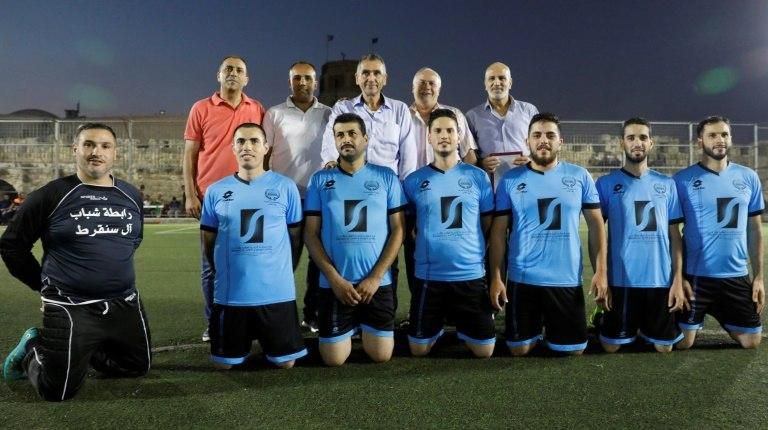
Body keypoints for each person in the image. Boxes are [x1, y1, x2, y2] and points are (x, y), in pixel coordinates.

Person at [0, 123, 150, 401]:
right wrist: (42, 285)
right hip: (71, 306)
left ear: (115, 153)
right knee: (56, 391)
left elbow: (133, 239)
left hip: (124, 302)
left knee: (136, 367)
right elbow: (12, 245)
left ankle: (82, 350)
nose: (96, 152)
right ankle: (33, 347)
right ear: (75, 150)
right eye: (89, 144)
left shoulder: (131, 195)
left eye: (105, 146)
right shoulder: (50, 196)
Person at [488, 113, 608, 356]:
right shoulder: (511, 180)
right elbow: (499, 233)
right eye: (537, 135)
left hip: (565, 279)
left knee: (573, 350)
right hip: (523, 280)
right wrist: (497, 277)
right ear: (527, 141)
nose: (543, 140)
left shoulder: (579, 176)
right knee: (519, 350)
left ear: (560, 142)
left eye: (550, 135)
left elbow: (597, 226)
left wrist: (601, 271)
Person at [200, 123, 307, 369]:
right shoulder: (217, 191)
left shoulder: (285, 187)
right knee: (223, 365)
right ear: (233, 148)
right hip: (232, 294)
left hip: (275, 293)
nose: (247, 146)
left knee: (285, 364)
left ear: (266, 147)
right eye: (241, 141)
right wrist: (222, 270)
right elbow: (208, 240)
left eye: (254, 141)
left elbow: (296, 237)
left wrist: (283, 271)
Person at [305, 113, 406, 366]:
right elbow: (310, 233)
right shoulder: (320, 180)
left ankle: (363, 329)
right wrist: (335, 280)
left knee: (381, 356)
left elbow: (398, 230)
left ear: (365, 138)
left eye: (352, 134)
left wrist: (375, 277)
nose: (346, 139)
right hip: (336, 286)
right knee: (334, 360)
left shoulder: (386, 177)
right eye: (340, 135)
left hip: (376, 284)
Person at [183, 55, 265, 342]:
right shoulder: (201, 108)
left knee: (249, 262)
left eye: (239, 70)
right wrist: (191, 193)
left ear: (247, 78)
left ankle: (250, 319)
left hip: (249, 200)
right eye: (228, 69)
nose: (233, 73)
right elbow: (190, 154)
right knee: (211, 266)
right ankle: (214, 321)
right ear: (218, 75)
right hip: (211, 198)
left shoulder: (256, 109)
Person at [402, 109, 495, 358]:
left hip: (470, 275)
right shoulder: (413, 181)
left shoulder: (478, 178)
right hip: (429, 277)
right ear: (429, 138)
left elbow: (486, 223)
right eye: (438, 131)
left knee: (485, 351)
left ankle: (462, 324)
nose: (444, 136)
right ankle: (437, 328)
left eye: (450, 131)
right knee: (418, 350)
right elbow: (408, 226)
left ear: (458, 137)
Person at [593, 117, 687, 353]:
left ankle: (643, 326)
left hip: (659, 279)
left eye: (643, 137)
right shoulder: (605, 184)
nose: (638, 143)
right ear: (621, 143)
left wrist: (677, 279)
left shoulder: (667, 184)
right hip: (621, 279)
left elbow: (675, 235)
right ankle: (603, 318)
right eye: (631, 137)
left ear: (651, 144)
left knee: (663, 348)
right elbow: (596, 233)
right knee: (610, 348)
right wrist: (601, 274)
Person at [673, 116, 764, 349]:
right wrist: (678, 277)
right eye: (712, 135)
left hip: (735, 275)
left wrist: (759, 277)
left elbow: (754, 229)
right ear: (699, 142)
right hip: (696, 277)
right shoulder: (682, 180)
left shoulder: (749, 177)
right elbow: (673, 232)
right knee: (682, 343)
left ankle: (723, 312)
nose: (719, 140)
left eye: (724, 134)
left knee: (751, 341)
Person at [263, 61, 332, 333]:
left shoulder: (329, 113)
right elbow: (265, 156)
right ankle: (278, 311)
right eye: (297, 78)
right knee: (283, 260)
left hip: (318, 199)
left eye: (308, 78)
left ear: (315, 82)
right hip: (284, 200)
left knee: (318, 262)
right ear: (289, 81)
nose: (302, 83)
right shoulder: (274, 114)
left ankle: (312, 314)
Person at [404, 68, 478, 303]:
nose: (426, 87)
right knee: (414, 254)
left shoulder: (454, 114)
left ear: (439, 88)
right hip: (412, 199)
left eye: (432, 83)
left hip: (450, 199)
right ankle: (420, 307)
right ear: (412, 87)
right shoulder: (400, 115)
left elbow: (469, 155)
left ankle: (453, 310)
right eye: (421, 83)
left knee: (452, 250)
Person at [320, 54, 417, 180]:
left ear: (385, 79)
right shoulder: (343, 108)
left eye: (377, 73)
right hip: (351, 182)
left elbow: (408, 152)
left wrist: (404, 186)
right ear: (357, 78)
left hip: (387, 186)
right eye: (365, 73)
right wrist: (330, 161)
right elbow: (330, 138)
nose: (371, 78)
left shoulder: (400, 109)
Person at [466, 62, 538, 175]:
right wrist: (481, 164)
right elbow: (468, 152)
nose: (497, 82)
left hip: (525, 179)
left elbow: (540, 143)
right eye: (491, 78)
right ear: (485, 84)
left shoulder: (529, 111)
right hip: (489, 183)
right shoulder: (472, 116)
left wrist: (532, 161)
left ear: (510, 83)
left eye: (502, 78)